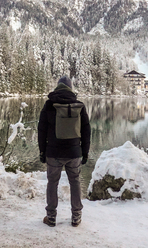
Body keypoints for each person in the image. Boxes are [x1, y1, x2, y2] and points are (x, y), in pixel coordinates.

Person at [38, 76, 91, 227]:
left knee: (52, 183)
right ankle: (76, 216)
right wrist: (85, 152)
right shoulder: (79, 105)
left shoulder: (49, 105)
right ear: (70, 88)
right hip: (74, 152)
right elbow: (86, 131)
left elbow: (41, 130)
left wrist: (42, 152)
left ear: (57, 87)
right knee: (75, 182)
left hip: (53, 153)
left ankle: (51, 217)